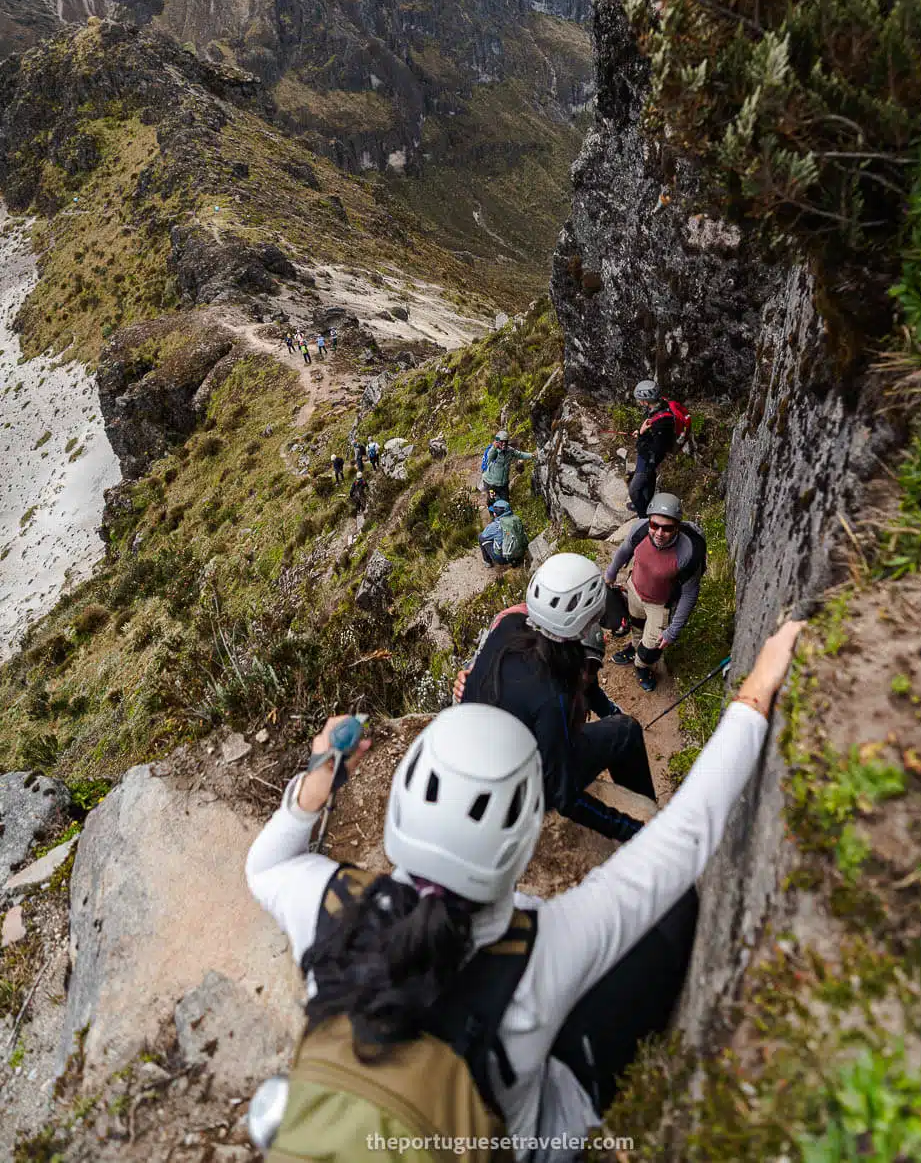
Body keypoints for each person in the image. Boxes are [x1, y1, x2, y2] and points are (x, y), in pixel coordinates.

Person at [246, 621, 805, 1158]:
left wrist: (320, 778)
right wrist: (757, 689)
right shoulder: (545, 952)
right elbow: (684, 840)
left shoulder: (330, 908)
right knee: (674, 912)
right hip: (526, 1139)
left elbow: (265, 867)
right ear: (521, 840)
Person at [457, 553, 655, 843]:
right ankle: (647, 808)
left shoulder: (508, 626)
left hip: (481, 762)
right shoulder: (553, 694)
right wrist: (633, 828)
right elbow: (564, 796)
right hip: (515, 794)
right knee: (625, 731)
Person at [604, 493, 705, 693]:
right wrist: (610, 575)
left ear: (677, 526)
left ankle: (643, 666)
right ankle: (634, 649)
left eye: (667, 528)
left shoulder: (687, 553)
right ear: (649, 521)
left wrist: (673, 630)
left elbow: (689, 593)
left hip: (660, 604)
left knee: (652, 648)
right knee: (637, 626)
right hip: (634, 589)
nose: (659, 533)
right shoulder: (640, 530)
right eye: (654, 525)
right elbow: (624, 551)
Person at [628, 380, 682, 517]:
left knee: (634, 490)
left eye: (641, 400)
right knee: (648, 480)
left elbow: (653, 449)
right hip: (648, 456)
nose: (640, 402)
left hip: (649, 459)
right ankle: (644, 503)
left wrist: (641, 434)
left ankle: (643, 516)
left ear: (646, 401)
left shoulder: (663, 421)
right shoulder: (659, 406)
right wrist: (643, 432)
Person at [482, 429, 534, 508]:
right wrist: (494, 447)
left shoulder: (510, 451)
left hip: (503, 483)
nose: (503, 444)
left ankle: (503, 516)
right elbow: (490, 458)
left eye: (505, 441)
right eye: (501, 441)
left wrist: (532, 455)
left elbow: (520, 454)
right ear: (497, 441)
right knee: (492, 501)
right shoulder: (494, 450)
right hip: (490, 483)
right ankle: (493, 516)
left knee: (505, 503)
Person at [478, 499, 528, 567]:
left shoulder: (496, 525)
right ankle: (515, 559)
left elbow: (485, 535)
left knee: (480, 536)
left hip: (503, 558)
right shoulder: (516, 519)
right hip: (520, 553)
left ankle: (487, 562)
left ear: (495, 514)